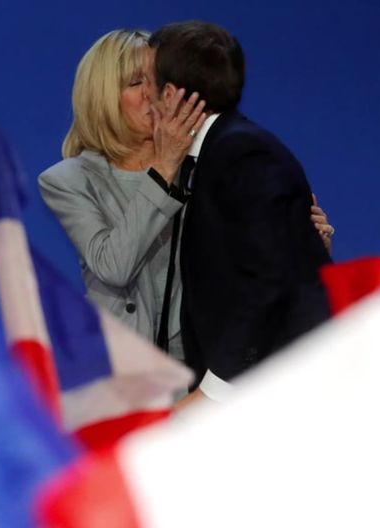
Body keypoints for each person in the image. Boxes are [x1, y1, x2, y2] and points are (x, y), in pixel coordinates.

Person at [38, 29, 334, 375]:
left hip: (206, 366)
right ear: (104, 97)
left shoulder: (206, 162)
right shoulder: (69, 180)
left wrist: (303, 243)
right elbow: (113, 267)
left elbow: (248, 264)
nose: (151, 94)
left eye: (155, 80)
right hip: (125, 373)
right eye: (136, 82)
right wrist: (164, 169)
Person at [146, 21, 333, 409]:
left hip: (279, 395)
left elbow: (270, 279)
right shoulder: (216, 154)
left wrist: (213, 392)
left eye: (146, 81)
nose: (143, 94)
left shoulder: (243, 155)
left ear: (170, 95)